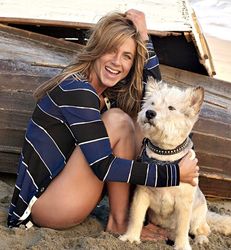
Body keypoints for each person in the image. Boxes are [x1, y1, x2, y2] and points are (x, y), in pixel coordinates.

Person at [8, 9, 199, 240]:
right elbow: (104, 167)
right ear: (97, 48)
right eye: (111, 50)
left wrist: (144, 38)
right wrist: (173, 173)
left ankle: (140, 213)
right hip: (42, 207)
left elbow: (157, 97)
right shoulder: (78, 90)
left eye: (127, 56)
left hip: (63, 191)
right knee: (120, 122)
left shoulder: (106, 95)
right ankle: (120, 223)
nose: (117, 62)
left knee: (140, 123)